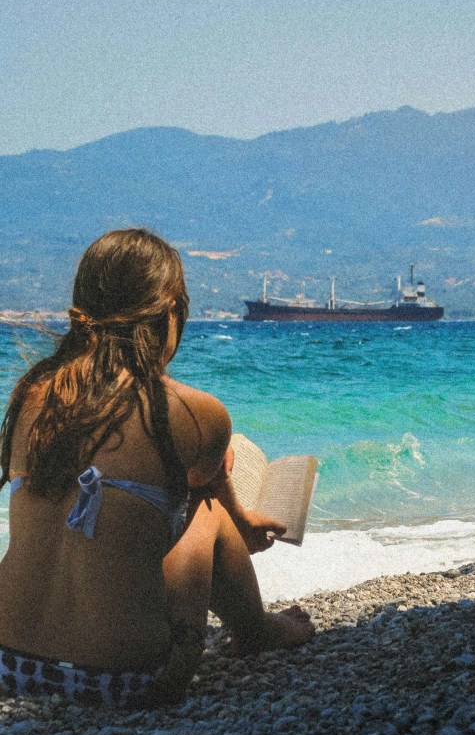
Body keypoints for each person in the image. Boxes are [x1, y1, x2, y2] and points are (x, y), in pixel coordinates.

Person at [0, 229, 315, 707]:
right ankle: (257, 631)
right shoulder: (190, 412)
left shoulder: (33, 396)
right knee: (206, 506)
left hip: (8, 663)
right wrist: (243, 520)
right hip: (124, 681)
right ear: (170, 312)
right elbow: (203, 483)